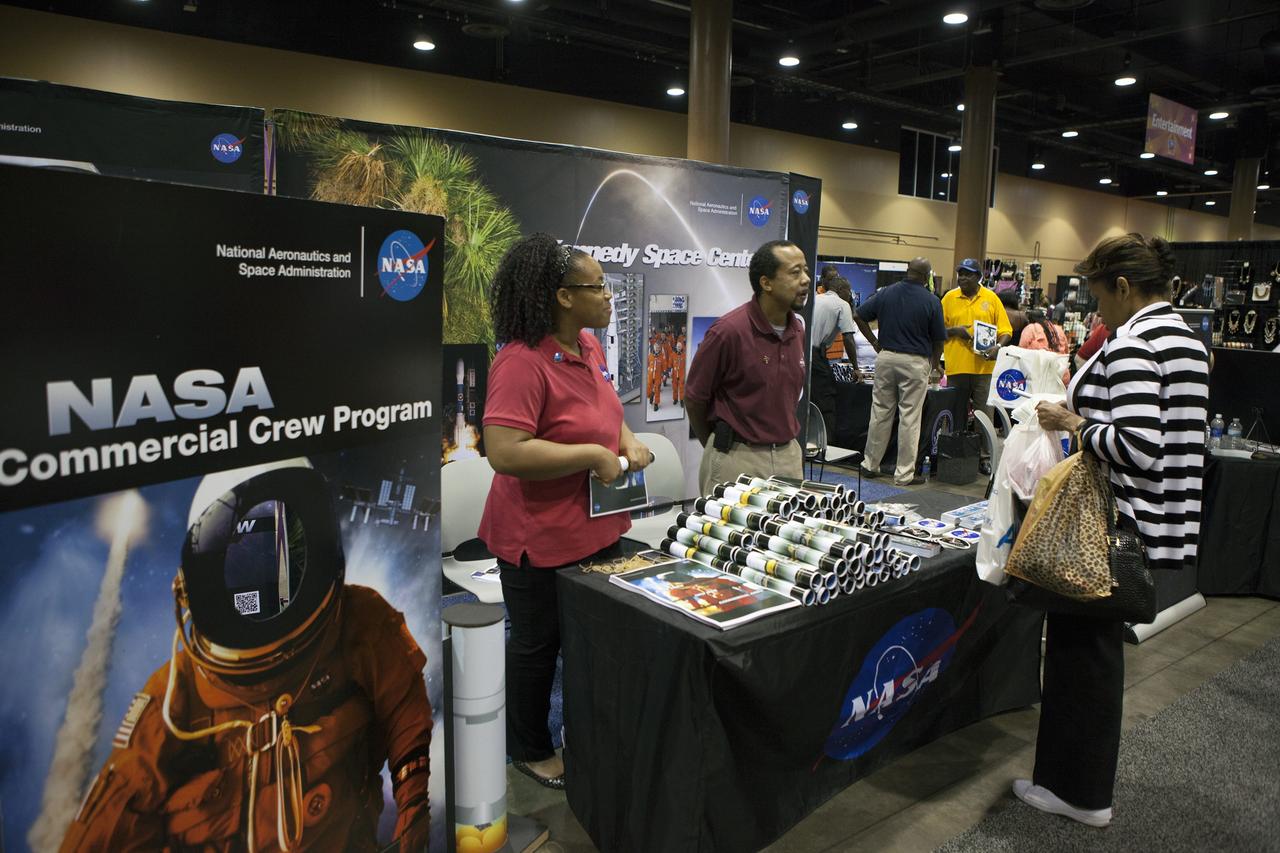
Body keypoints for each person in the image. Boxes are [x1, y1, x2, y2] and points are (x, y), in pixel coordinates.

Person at [63, 460, 434, 852]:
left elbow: (405, 709)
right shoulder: (173, 700)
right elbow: (106, 825)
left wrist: (413, 815)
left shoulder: (360, 621)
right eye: (237, 554)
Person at [1021, 233, 1209, 828]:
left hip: (1110, 525)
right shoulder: (1184, 339)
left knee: (1083, 660)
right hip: (1151, 523)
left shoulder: (1134, 344)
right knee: (1093, 656)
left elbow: (1136, 447)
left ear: (1124, 287)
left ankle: (1078, 791)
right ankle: (1078, 785)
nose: (1097, 308)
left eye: (1100, 295)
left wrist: (1071, 419)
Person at [478, 233, 651, 789]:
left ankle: (589, 734)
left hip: (597, 524)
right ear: (561, 296)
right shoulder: (520, 362)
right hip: (539, 536)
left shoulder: (589, 346)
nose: (608, 294)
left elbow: (605, 408)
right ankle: (528, 747)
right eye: (596, 285)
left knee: (590, 642)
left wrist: (623, 439)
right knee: (537, 646)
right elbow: (504, 452)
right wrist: (592, 455)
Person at [686, 240, 809, 495]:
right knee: (731, 535)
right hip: (738, 459)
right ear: (766, 283)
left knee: (788, 534)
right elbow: (695, 398)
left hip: (789, 457)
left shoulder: (797, 329)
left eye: (806, 270)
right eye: (795, 272)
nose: (806, 279)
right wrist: (716, 444)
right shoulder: (728, 331)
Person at [853, 257, 946, 485]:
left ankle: (870, 464)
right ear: (927, 276)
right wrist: (936, 364)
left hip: (886, 358)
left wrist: (875, 343)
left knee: (880, 412)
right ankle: (904, 474)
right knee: (909, 418)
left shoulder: (886, 292)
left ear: (908, 271)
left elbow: (859, 315)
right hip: (914, 362)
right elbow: (938, 340)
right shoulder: (932, 301)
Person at [941, 257, 1013, 474]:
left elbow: (1005, 331)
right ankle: (955, 454)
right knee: (956, 414)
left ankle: (984, 457)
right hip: (957, 367)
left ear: (978, 277)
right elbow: (937, 331)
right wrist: (955, 331)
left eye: (967, 273)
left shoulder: (991, 299)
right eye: (960, 273)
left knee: (984, 416)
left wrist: (998, 347)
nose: (961, 277)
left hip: (984, 369)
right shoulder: (949, 298)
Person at [809, 274, 861, 435]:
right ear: (840, 290)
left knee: (808, 397)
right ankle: (826, 444)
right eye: (848, 291)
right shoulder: (841, 304)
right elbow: (848, 338)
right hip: (817, 355)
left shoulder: (816, 298)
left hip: (801, 351)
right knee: (826, 398)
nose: (850, 294)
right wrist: (856, 368)